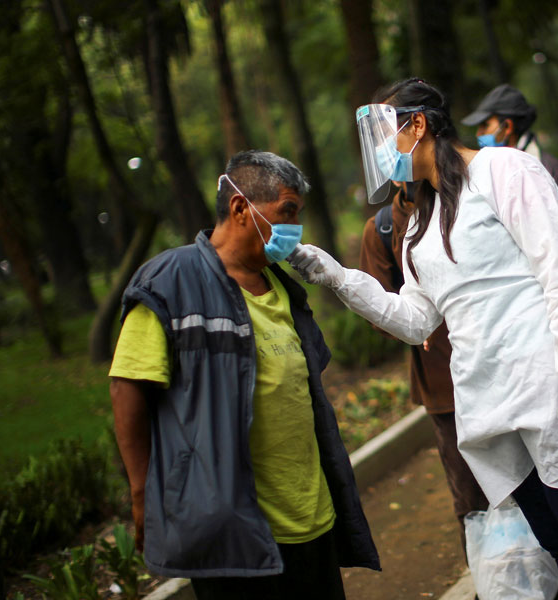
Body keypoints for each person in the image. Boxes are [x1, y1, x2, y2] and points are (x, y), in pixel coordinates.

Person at [294, 78, 558, 599]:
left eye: (384, 135)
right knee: (556, 544)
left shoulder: (504, 170)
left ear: (418, 125)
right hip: (489, 404)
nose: (379, 152)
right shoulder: (421, 217)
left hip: (548, 386)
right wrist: (340, 278)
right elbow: (417, 320)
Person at [109, 150, 378, 599]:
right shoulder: (170, 282)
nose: (295, 227)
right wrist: (142, 494)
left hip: (311, 517)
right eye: (287, 211)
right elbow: (127, 388)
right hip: (232, 532)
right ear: (240, 208)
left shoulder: (283, 287)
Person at [358, 183, 488, 553]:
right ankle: (492, 569)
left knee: (526, 477)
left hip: (495, 363)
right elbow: (378, 305)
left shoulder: (468, 198)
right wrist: (414, 324)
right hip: (442, 382)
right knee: (470, 494)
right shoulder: (382, 228)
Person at [461, 83, 558, 283]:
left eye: (485, 125)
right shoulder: (492, 173)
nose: (478, 134)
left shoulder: (549, 169)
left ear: (507, 127)